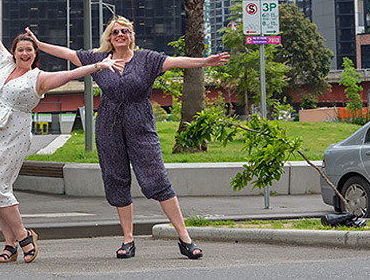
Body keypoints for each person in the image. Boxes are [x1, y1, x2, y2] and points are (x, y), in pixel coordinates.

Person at [26, 17, 229, 260]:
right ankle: (128, 240)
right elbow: (69, 54)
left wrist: (205, 61)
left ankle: (185, 238)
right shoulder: (100, 59)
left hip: (140, 123)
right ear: (109, 37)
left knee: (157, 179)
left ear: (131, 35)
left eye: (124, 31)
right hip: (109, 125)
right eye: (114, 32)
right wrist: (39, 44)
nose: (119, 35)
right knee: (116, 179)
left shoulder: (147, 59)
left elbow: (176, 62)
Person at [0, 0, 125, 264]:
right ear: (14, 52)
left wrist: (97, 65)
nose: (24, 54)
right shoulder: (3, 64)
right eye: (20, 50)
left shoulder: (39, 79)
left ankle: (23, 236)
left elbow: (69, 74)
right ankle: (9, 245)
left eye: (29, 51)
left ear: (35, 54)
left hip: (13, 134)